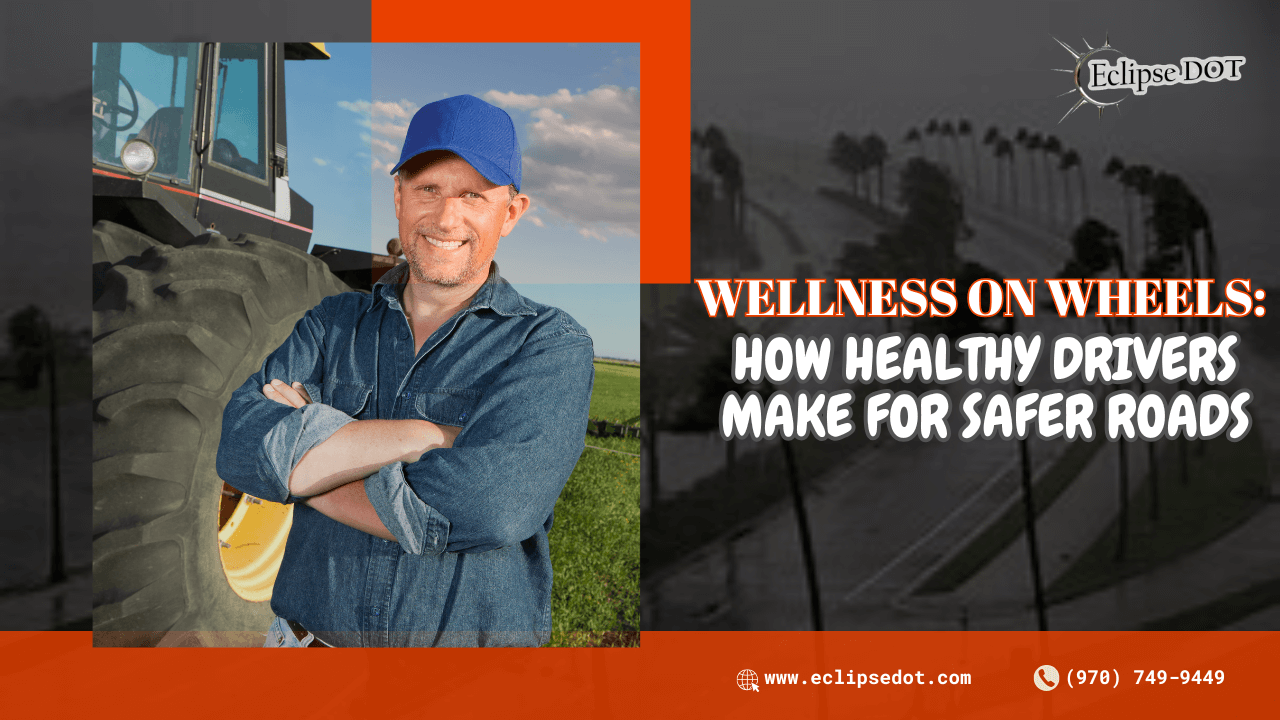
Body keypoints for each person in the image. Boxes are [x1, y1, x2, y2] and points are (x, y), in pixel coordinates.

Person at [217, 94, 595, 647]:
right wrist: (429, 438)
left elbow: (489, 506)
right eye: (428, 189)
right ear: (399, 197)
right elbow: (240, 444)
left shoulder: (549, 345)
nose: (446, 218)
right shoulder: (331, 323)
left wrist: (304, 475)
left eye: (473, 195)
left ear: (510, 213)